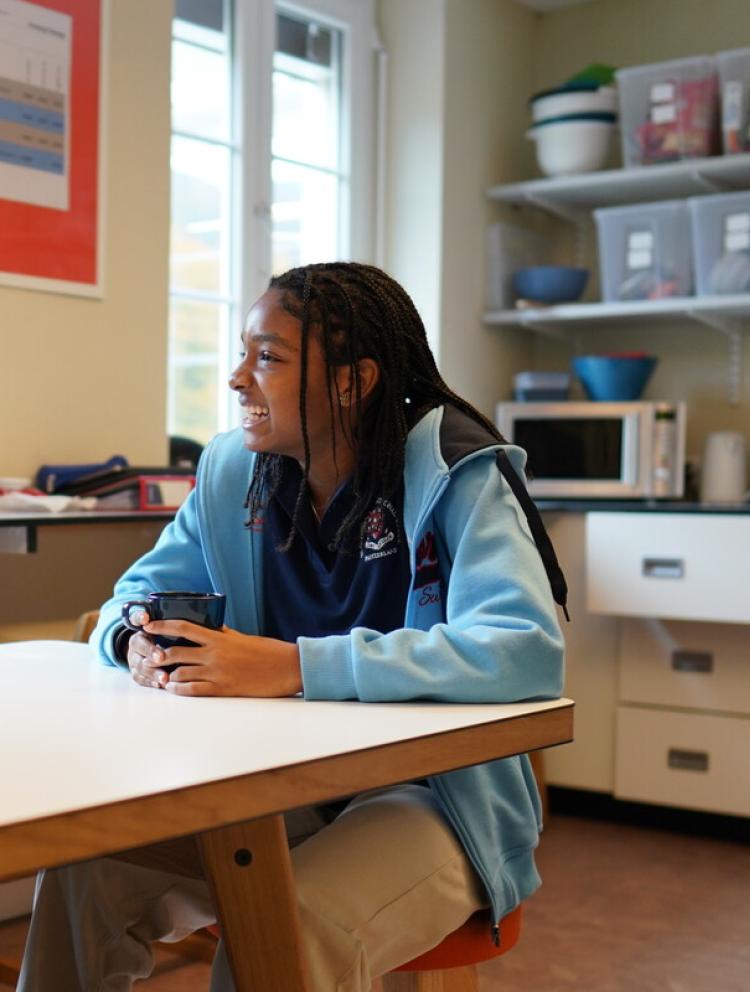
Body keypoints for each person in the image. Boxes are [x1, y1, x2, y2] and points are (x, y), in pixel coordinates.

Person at [18, 261, 566, 992]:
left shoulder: (455, 470)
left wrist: (295, 667)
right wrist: (133, 641)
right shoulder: (230, 473)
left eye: (267, 357)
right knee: (88, 869)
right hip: (280, 790)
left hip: (435, 801)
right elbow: (133, 594)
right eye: (243, 352)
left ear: (352, 381)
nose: (238, 378)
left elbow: (523, 649)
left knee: (286, 927)